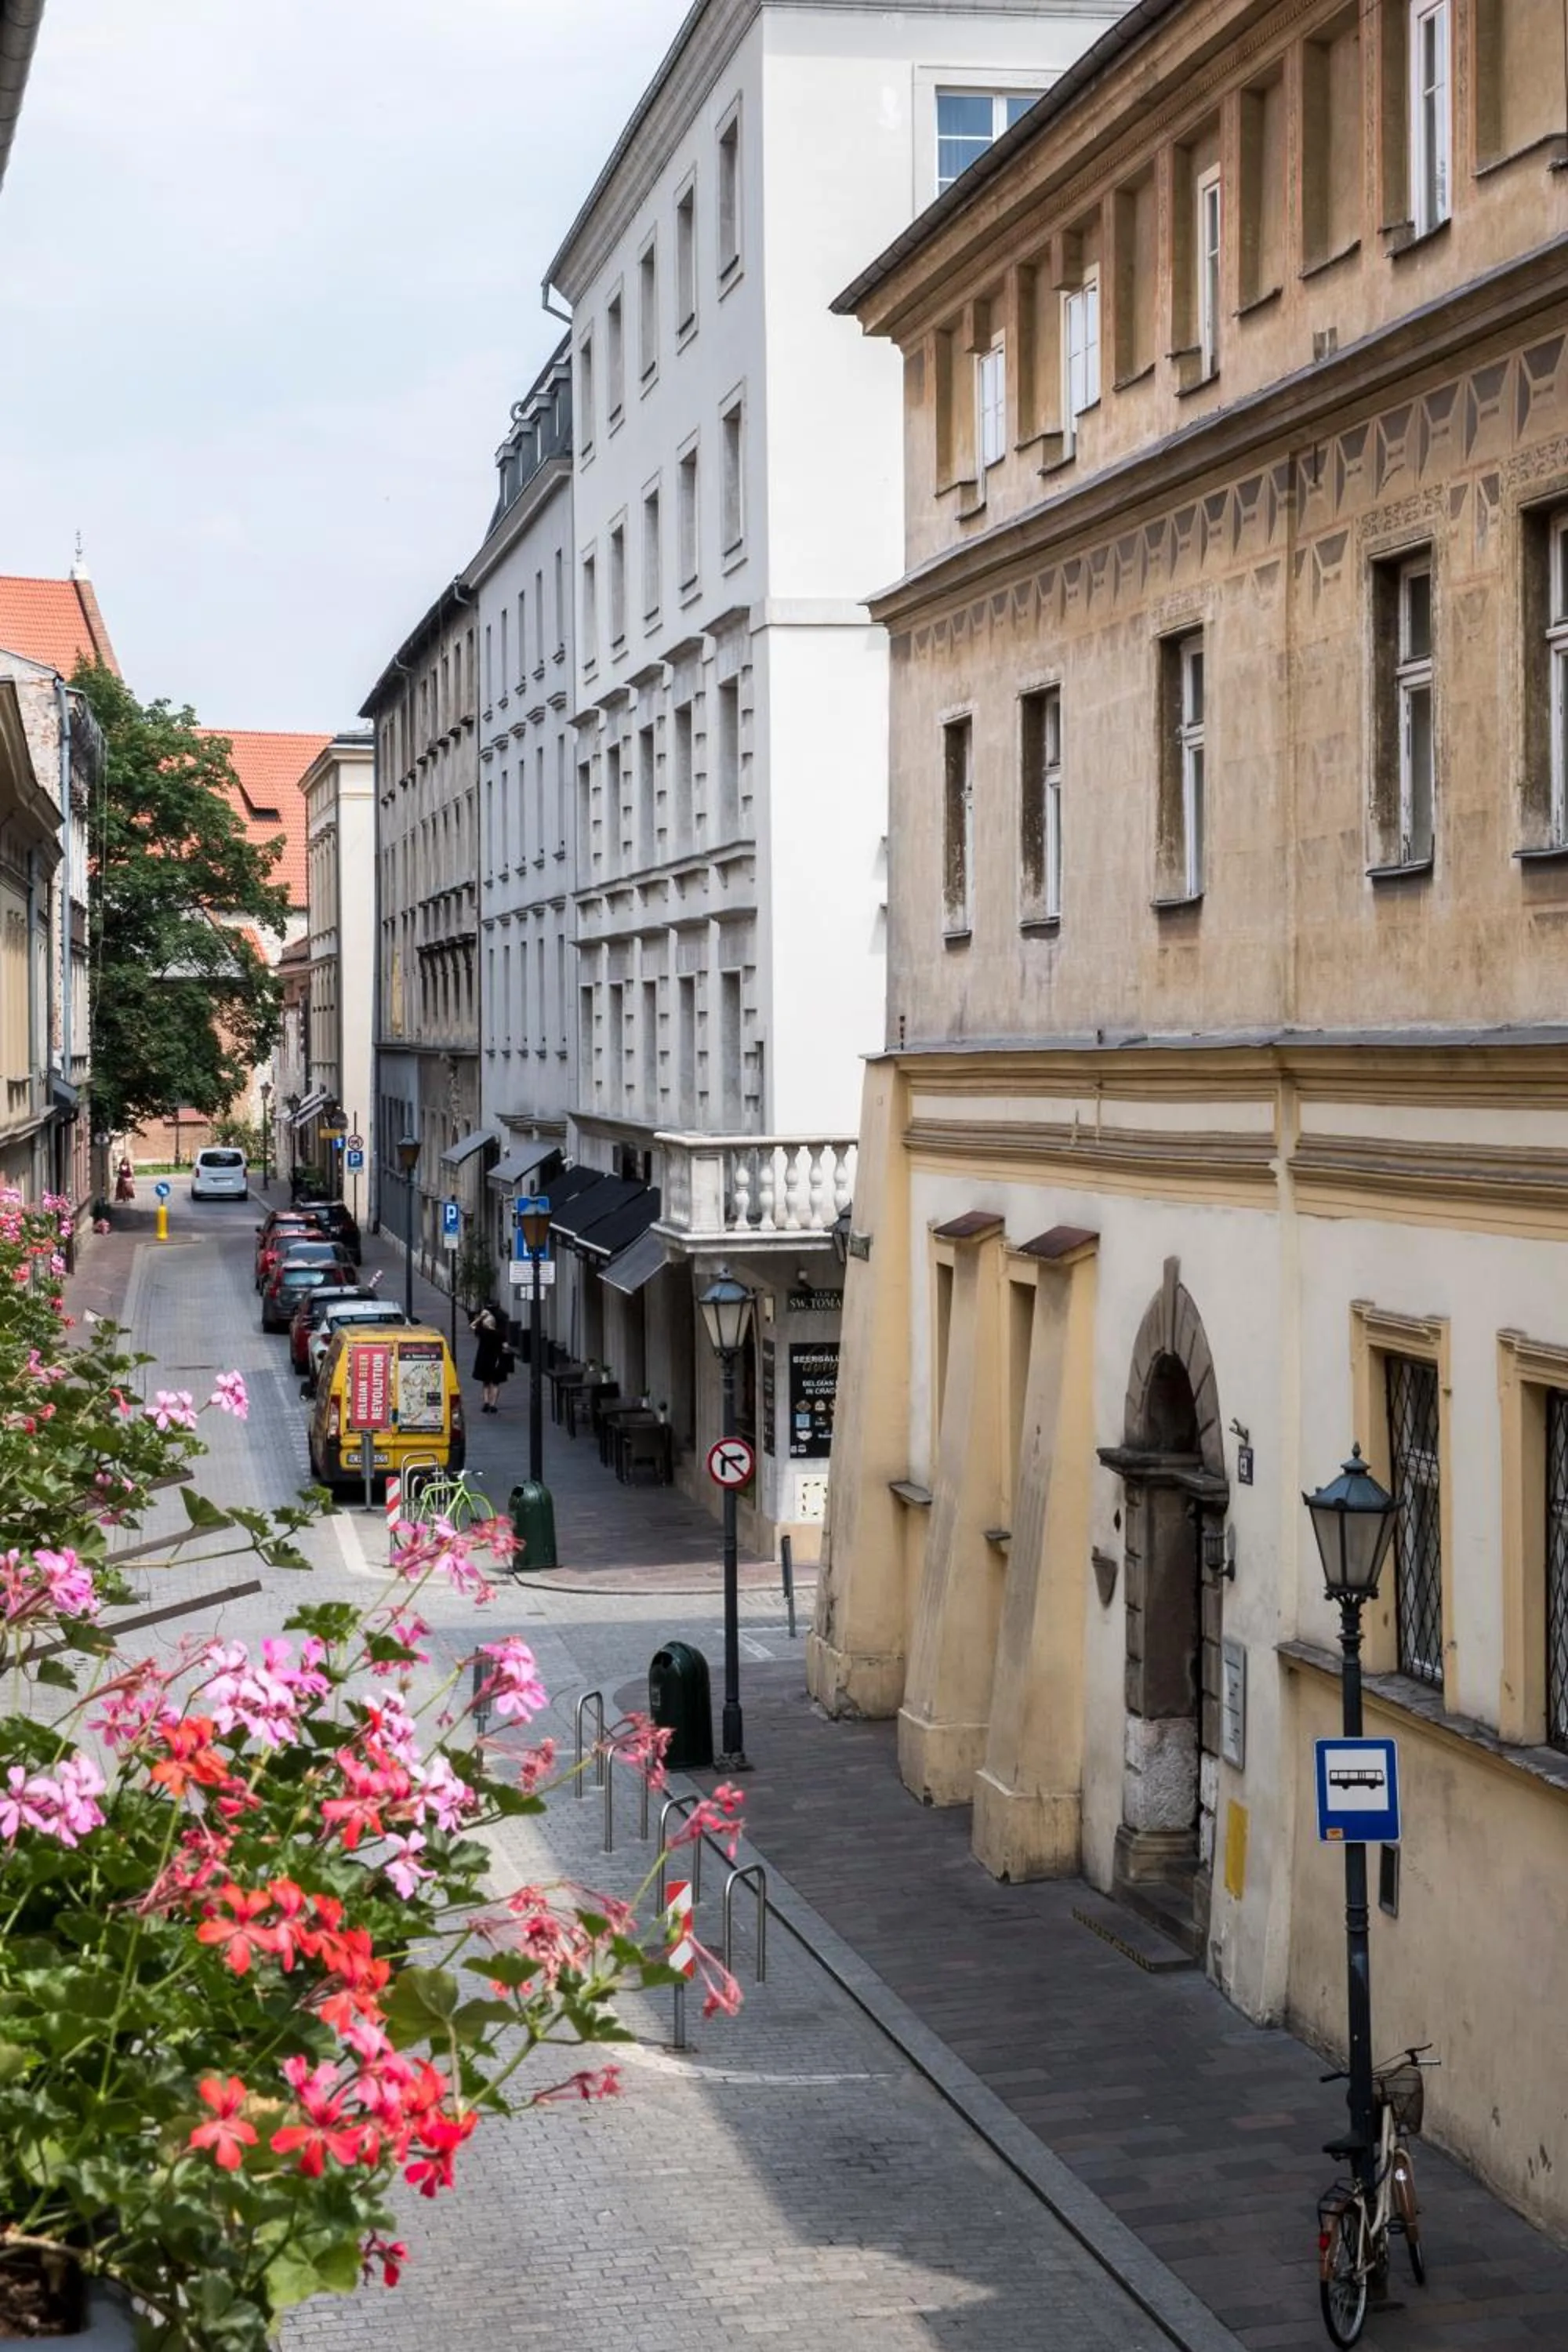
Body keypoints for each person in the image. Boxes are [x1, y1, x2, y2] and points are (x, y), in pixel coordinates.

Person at [469, 1300, 510, 1414]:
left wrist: (480, 1318)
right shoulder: (499, 1334)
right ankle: (493, 1404)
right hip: (496, 1358)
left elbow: (472, 1326)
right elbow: (505, 1343)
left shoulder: (482, 1332)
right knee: (495, 1382)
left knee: (486, 1382)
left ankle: (486, 1402)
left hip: (484, 1357)